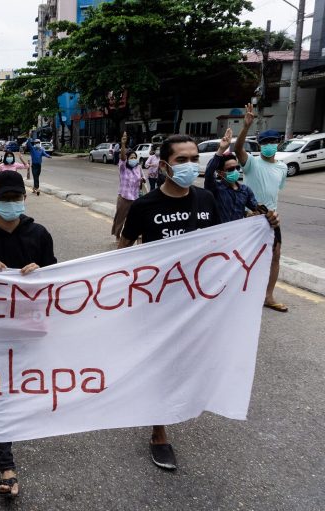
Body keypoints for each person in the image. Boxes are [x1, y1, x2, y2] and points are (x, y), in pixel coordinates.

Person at [118, 134, 279, 471]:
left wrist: (261, 225)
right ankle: (159, 431)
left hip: (199, 301)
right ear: (164, 166)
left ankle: (188, 400)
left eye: (194, 159)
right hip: (159, 302)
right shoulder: (145, 206)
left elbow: (223, 242)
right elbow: (124, 250)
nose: (190, 165)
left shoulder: (206, 199)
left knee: (192, 358)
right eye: (182, 160)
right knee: (162, 364)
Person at [0, 171, 57, 497]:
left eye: (17, 199)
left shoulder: (40, 234)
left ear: (24, 199)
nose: (11, 204)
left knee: (22, 388)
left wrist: (40, 273)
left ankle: (7, 431)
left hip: (29, 328)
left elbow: (56, 278)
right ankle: (7, 465)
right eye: (5, 199)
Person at [234, 104, 288, 312]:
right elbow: (238, 150)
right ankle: (239, 293)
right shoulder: (252, 163)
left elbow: (275, 191)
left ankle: (268, 296)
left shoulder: (282, 168)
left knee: (275, 255)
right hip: (250, 217)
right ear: (259, 145)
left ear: (278, 143)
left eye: (273, 142)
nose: (269, 145)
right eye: (265, 142)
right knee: (246, 256)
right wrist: (246, 127)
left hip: (272, 219)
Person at [204, 128, 258, 222]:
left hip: (237, 233)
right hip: (218, 233)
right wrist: (221, 149)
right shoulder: (215, 188)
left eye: (237, 168)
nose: (235, 171)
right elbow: (209, 173)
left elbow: (256, 208)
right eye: (230, 169)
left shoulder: (245, 190)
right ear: (220, 172)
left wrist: (260, 213)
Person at [111, 133, 144, 241]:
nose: (133, 159)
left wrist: (142, 180)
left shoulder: (138, 167)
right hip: (124, 197)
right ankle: (117, 234)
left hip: (135, 197)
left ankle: (135, 233)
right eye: (131, 157)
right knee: (120, 218)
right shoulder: (123, 168)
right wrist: (123, 144)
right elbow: (122, 158)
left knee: (136, 218)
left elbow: (142, 178)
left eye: (135, 157)